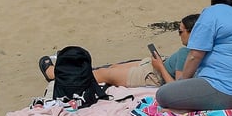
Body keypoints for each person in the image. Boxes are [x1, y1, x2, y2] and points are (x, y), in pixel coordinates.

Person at [39, 14, 200, 87]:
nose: (179, 35)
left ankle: (55, 74)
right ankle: (66, 68)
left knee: (104, 74)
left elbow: (177, 88)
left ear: (192, 32)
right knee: (112, 68)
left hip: (153, 76)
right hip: (157, 65)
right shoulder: (195, 52)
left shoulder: (187, 54)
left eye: (181, 31)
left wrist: (159, 67)